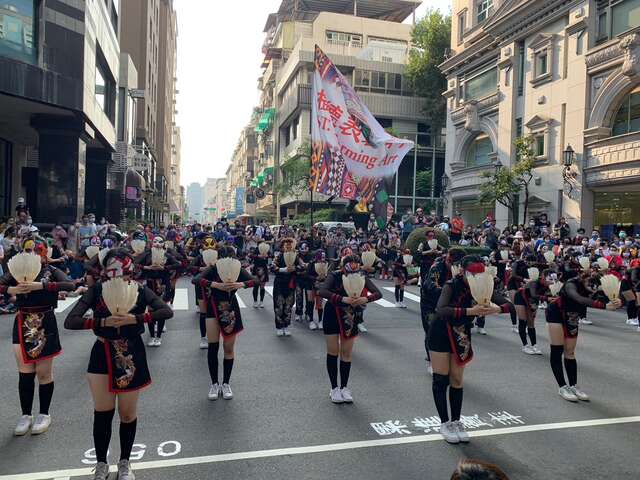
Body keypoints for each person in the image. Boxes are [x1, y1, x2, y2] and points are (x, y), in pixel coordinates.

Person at [64, 248, 173, 480]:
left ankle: (125, 462)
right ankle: (101, 463)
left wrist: (137, 318)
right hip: (102, 352)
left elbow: (166, 311)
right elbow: (70, 321)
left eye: (124, 271)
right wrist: (102, 321)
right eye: (114, 270)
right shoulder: (97, 291)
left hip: (131, 353)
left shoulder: (139, 290)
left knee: (127, 414)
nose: (120, 277)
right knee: (102, 412)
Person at [430, 255, 513, 444]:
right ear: (462, 271)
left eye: (480, 274)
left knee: (457, 379)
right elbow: (441, 309)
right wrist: (470, 312)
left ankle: (457, 421)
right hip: (440, 333)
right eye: (472, 274)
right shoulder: (452, 285)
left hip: (461, 334)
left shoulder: (484, 286)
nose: (476, 278)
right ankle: (445, 423)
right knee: (441, 379)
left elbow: (509, 305)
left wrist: (496, 310)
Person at [0, 238, 75, 436]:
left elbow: (69, 285)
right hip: (22, 320)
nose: (33, 253)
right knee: (24, 372)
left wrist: (41, 286)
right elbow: (2, 284)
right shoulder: (16, 271)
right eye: (29, 250)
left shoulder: (49, 271)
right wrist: (10, 289)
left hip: (45, 321)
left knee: (43, 372)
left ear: (44, 252)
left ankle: (44, 413)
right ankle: (26, 415)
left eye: (37, 250)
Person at [545, 266, 620, 402]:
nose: (592, 289)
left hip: (572, 316)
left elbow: (607, 299)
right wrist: (604, 306)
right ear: (584, 279)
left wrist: (617, 301)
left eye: (595, 287)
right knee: (557, 350)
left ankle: (573, 385)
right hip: (556, 313)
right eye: (590, 285)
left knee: (570, 352)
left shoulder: (595, 287)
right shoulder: (571, 284)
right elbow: (578, 298)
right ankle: (562, 386)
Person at [192, 246, 255, 401]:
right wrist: (216, 285)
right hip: (213, 309)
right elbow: (196, 279)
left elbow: (255, 281)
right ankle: (214, 384)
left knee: (228, 348)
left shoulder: (237, 268)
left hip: (231, 310)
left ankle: (226, 383)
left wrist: (240, 285)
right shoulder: (214, 268)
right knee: (213, 347)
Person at [318, 254, 382, 403]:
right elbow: (322, 291)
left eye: (356, 264)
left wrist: (366, 298)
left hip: (350, 316)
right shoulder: (335, 275)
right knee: (333, 352)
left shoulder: (361, 276)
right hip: (332, 314)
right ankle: (334, 388)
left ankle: (344, 387)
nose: (353, 268)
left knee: (346, 353)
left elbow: (378, 293)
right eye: (350, 265)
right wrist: (342, 299)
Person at [270, 237, 305, 337]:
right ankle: (279, 326)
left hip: (290, 283)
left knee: (288, 305)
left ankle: (286, 325)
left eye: (290, 245)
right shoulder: (279, 255)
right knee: (279, 305)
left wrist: (295, 268)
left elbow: (303, 266)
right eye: (286, 245)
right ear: (283, 246)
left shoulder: (296, 256)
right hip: (279, 284)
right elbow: (272, 267)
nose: (288, 247)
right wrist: (283, 270)